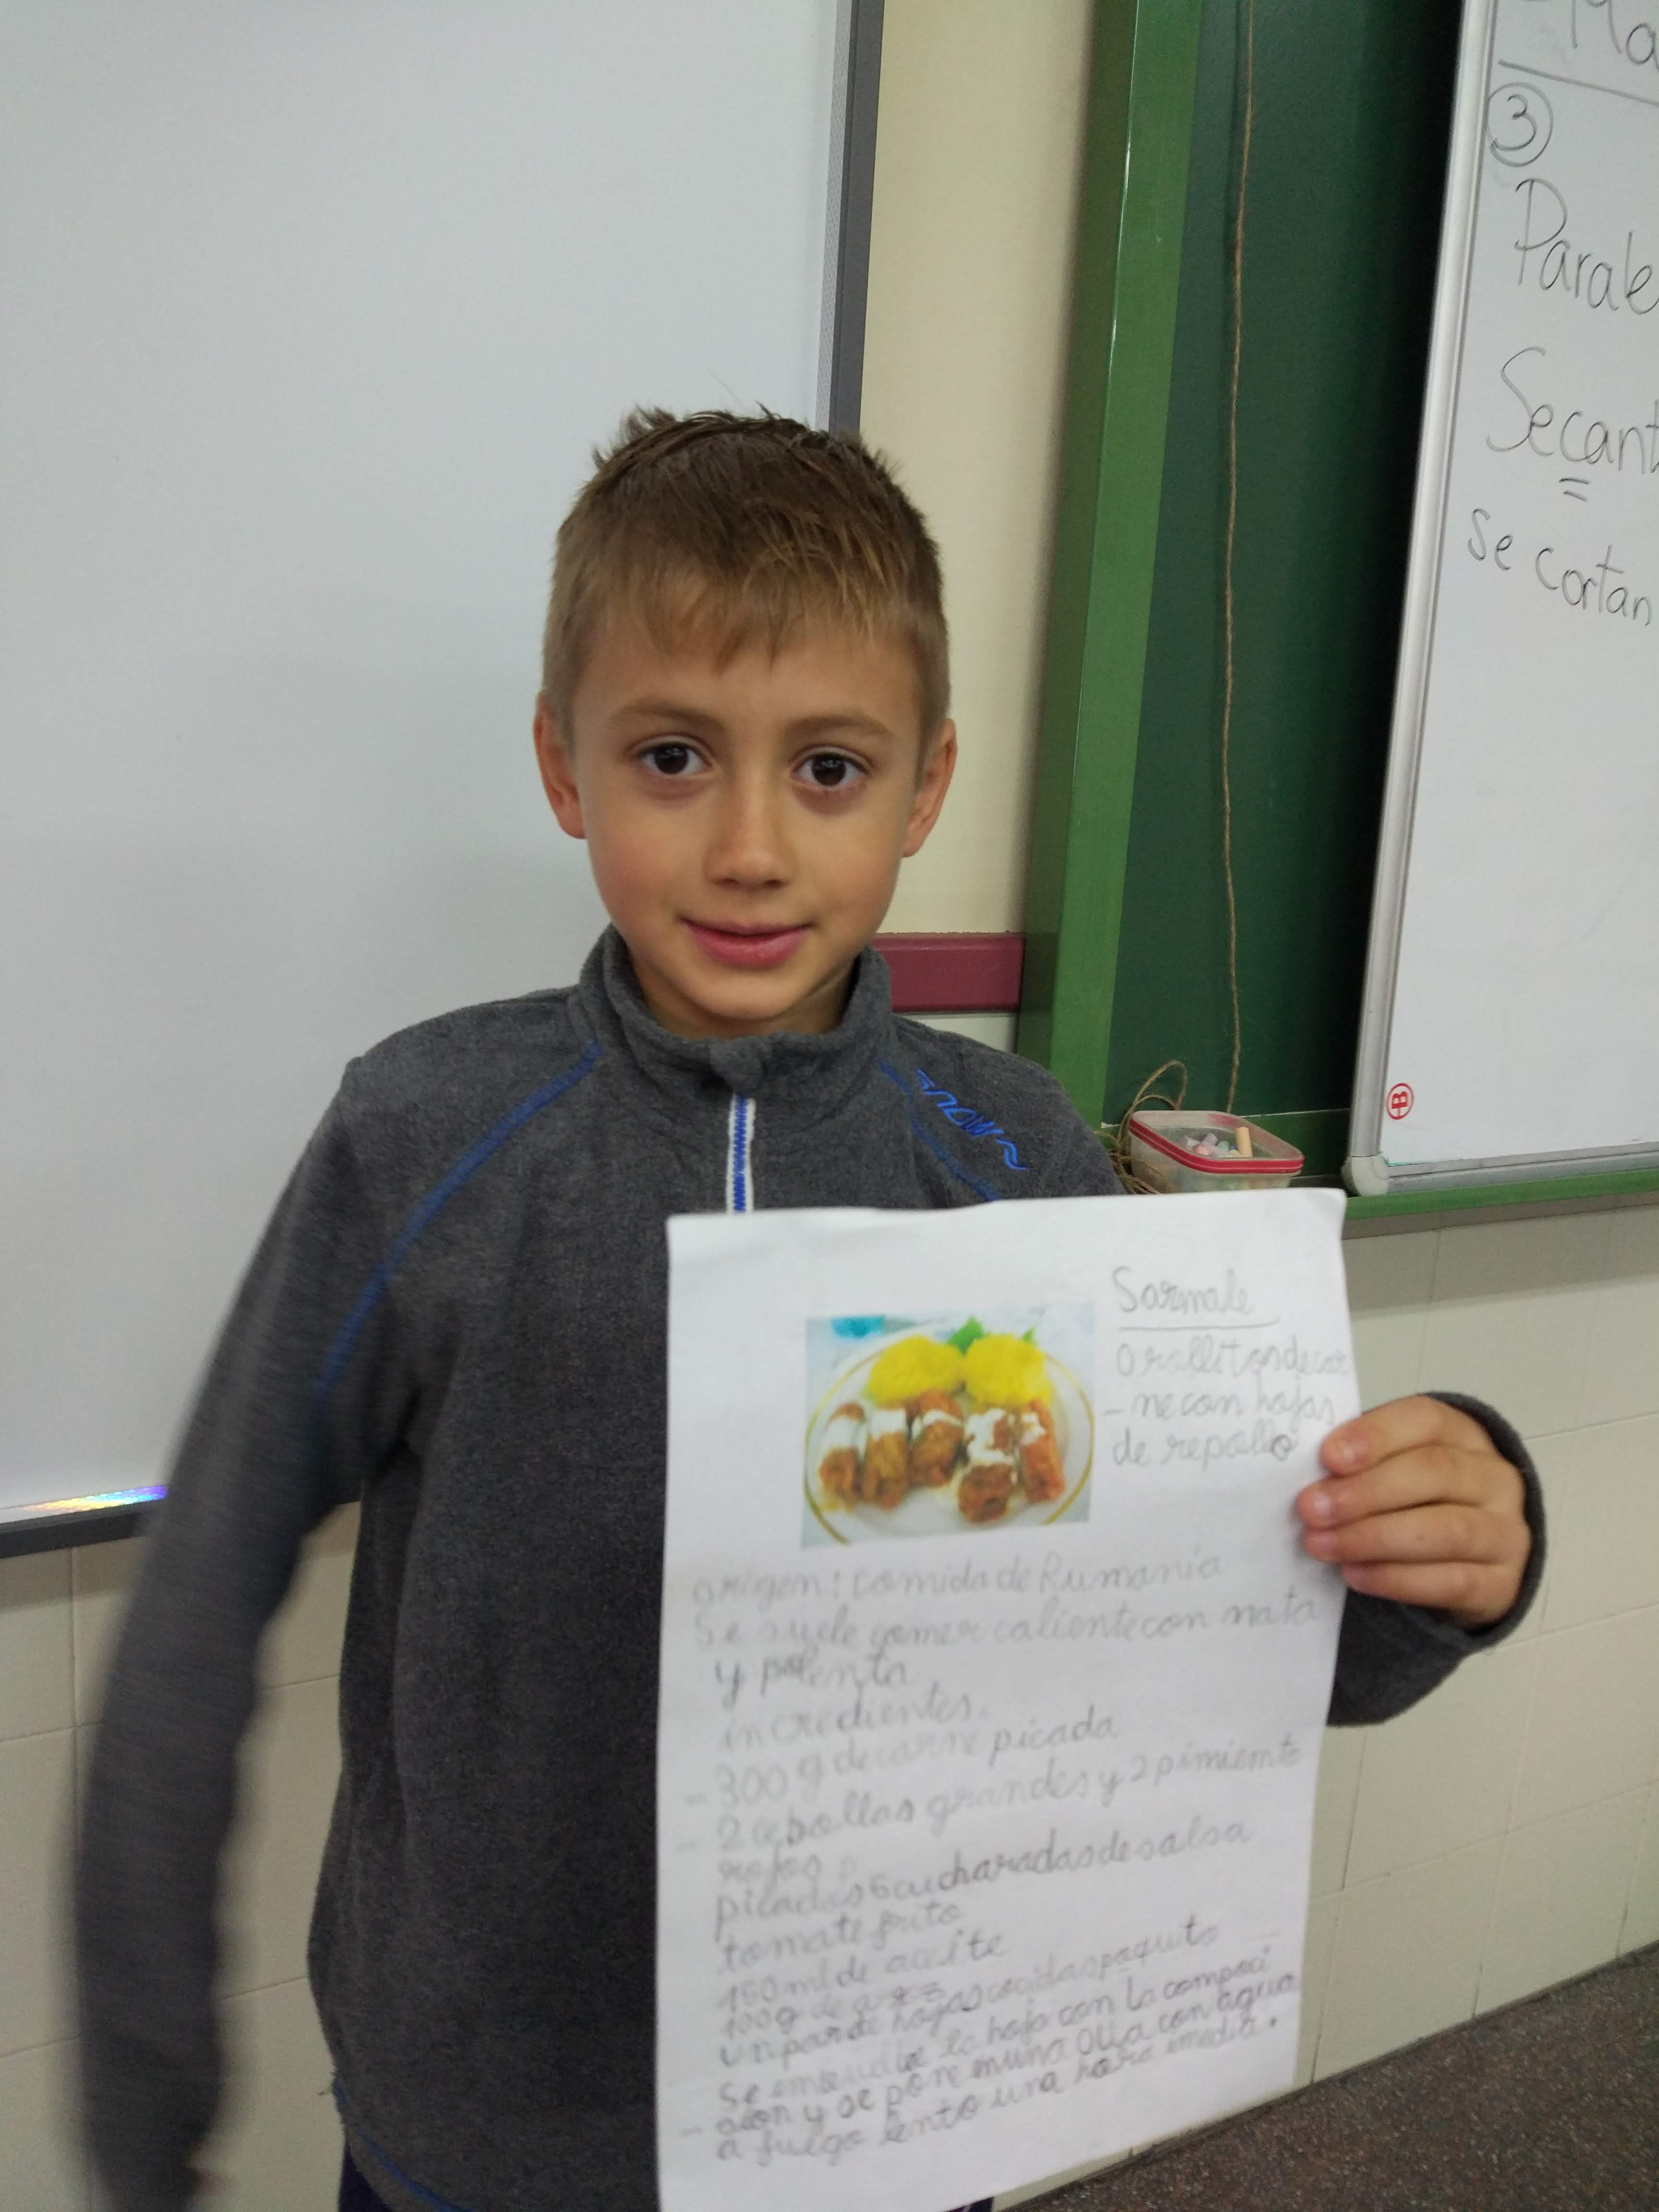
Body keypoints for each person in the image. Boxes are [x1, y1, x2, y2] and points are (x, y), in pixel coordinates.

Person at [76, 411, 1542, 2212]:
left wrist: (1443, 1555)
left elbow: (1193, 1648)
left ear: (926, 789)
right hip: (487, 2149)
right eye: (673, 756)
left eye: (831, 768)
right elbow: (201, 1592)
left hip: (896, 2123)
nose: (752, 848)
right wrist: (147, 2103)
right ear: (562, 766)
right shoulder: (424, 1140)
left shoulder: (1011, 1160)